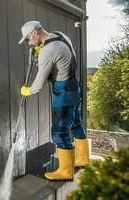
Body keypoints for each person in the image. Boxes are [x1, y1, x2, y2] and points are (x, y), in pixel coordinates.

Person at [18, 21, 90, 181]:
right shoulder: (60, 35)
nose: (29, 43)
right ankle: (83, 158)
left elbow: (38, 85)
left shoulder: (47, 51)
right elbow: (63, 55)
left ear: (34, 34)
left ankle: (65, 171)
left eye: (29, 39)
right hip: (74, 85)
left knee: (59, 131)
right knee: (76, 123)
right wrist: (42, 51)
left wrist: (27, 91)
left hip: (63, 91)